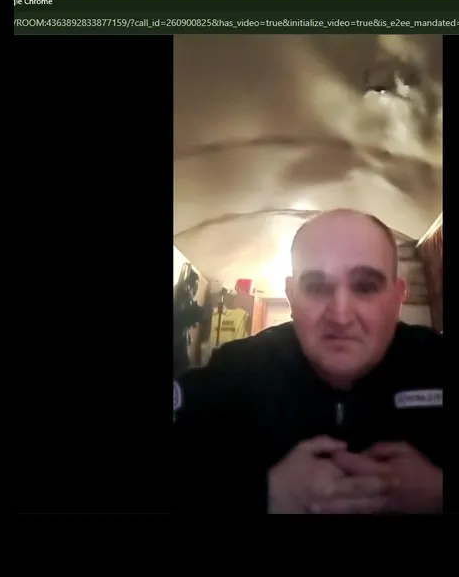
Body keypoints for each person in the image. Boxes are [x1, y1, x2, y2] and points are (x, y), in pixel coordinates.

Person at [174, 209, 443, 514]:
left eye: (366, 287)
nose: (341, 316)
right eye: (316, 287)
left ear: (397, 298)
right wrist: (262, 493)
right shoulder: (236, 370)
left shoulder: (437, 361)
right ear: (291, 296)